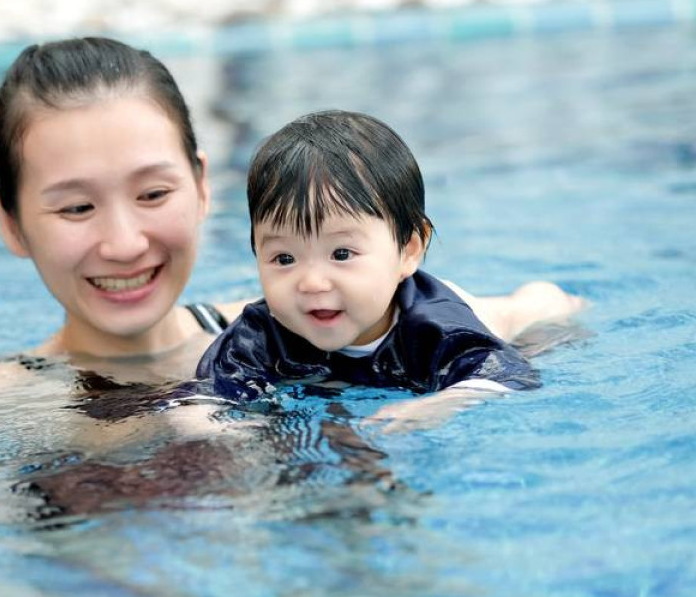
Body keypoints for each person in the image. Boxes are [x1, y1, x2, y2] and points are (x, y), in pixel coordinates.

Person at [0, 36, 584, 444]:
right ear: (10, 221)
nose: (123, 242)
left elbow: (535, 311)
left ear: (201, 188)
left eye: (152, 194)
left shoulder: (296, 317)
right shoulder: (5, 401)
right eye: (78, 206)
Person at [196, 110, 540, 402]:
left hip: (475, 314)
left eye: (341, 253)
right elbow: (210, 397)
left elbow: (509, 373)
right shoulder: (261, 334)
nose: (312, 283)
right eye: (285, 259)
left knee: (520, 313)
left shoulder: (437, 330)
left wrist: (443, 403)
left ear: (409, 250)